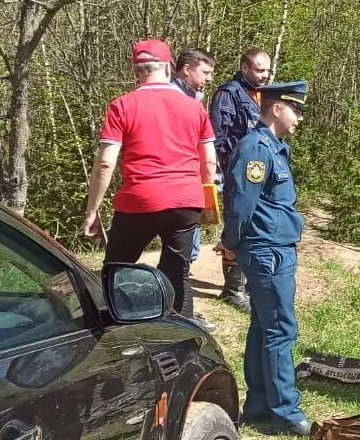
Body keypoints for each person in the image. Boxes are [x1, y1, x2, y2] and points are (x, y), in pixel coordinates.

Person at [82, 39, 216, 321]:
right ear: (169, 68)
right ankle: (182, 334)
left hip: (139, 200)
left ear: (136, 71)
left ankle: (115, 327)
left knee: (117, 268)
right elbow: (209, 161)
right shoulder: (195, 108)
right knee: (177, 271)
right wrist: (206, 201)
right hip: (185, 200)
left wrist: (93, 211)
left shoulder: (122, 106)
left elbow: (107, 161)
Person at [221, 80, 311, 435]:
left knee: (263, 327)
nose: (299, 118)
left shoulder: (273, 148)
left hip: (274, 247)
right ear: (276, 108)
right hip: (267, 250)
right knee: (280, 330)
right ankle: (286, 411)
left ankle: (259, 404)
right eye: (296, 110)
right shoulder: (256, 148)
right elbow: (242, 202)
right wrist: (231, 242)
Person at [210, 47, 273, 310]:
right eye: (259, 70)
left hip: (260, 173)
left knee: (255, 227)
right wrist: (227, 169)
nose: (264, 75)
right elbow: (218, 137)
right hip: (236, 173)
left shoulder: (264, 95)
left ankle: (247, 284)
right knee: (238, 227)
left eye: (267, 70)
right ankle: (232, 289)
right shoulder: (229, 94)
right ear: (245, 67)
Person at [172, 48, 217, 278]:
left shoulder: (193, 98)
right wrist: (208, 185)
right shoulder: (172, 97)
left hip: (189, 176)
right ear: (187, 69)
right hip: (178, 179)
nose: (209, 79)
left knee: (185, 249)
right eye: (205, 72)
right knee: (181, 250)